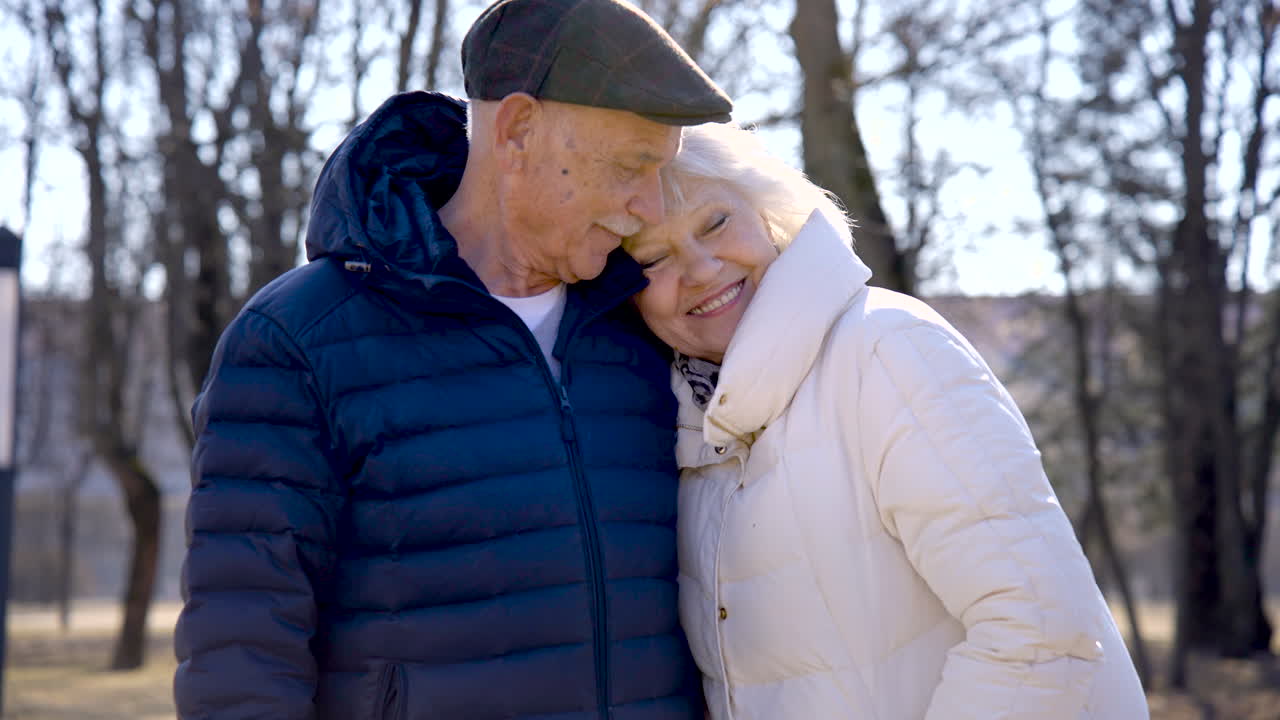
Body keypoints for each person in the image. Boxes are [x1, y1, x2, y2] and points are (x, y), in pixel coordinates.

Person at [172, 1, 732, 717]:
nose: (650, 206)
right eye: (631, 166)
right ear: (519, 130)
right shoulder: (298, 340)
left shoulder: (651, 327)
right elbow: (241, 658)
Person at [622, 123, 1150, 719]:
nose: (699, 266)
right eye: (653, 258)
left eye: (715, 222)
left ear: (771, 214)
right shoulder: (682, 426)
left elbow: (1042, 632)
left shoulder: (888, 351)